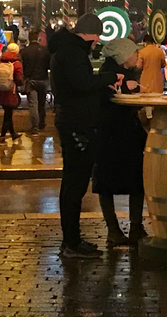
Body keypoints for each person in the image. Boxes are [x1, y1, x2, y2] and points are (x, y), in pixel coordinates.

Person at [49, 13, 118, 258]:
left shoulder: (66, 51)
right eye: (97, 35)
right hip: (77, 124)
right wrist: (109, 78)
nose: (98, 40)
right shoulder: (73, 53)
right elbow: (82, 83)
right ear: (88, 33)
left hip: (72, 120)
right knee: (75, 184)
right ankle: (72, 242)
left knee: (72, 183)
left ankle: (71, 238)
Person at [94, 37, 148, 247]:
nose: (138, 56)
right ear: (124, 57)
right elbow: (113, 100)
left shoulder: (123, 74)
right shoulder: (112, 76)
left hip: (114, 135)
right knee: (130, 181)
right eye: (134, 53)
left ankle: (118, 229)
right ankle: (130, 228)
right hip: (118, 135)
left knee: (112, 182)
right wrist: (130, 90)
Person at [20, 34, 50, 133]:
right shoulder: (45, 51)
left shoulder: (24, 51)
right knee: (42, 103)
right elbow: (48, 65)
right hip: (43, 79)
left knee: (33, 104)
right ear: (38, 38)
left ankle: (35, 127)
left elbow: (22, 66)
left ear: (29, 38)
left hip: (31, 80)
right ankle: (42, 122)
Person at [0, 42, 25, 143]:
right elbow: (19, 79)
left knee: (8, 113)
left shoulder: (1, 61)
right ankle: (2, 135)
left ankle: (12, 134)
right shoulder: (17, 63)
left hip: (1, 90)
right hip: (11, 91)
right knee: (8, 114)